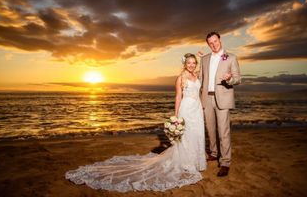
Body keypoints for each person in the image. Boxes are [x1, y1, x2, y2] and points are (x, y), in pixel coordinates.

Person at [65, 53, 206, 192]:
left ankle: (194, 161)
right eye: (189, 63)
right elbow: (178, 97)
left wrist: (203, 57)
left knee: (196, 134)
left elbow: (207, 69)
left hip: (197, 109)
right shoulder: (181, 78)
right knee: (186, 136)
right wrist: (176, 116)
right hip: (186, 109)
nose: (191, 65)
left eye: (194, 63)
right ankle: (186, 163)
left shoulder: (197, 75)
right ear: (185, 64)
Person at [199, 31, 241, 177]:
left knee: (223, 132)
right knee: (210, 129)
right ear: (208, 44)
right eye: (210, 43)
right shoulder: (204, 59)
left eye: (215, 41)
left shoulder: (231, 57)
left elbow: (238, 78)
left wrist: (229, 79)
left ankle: (225, 162)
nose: (213, 44)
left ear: (220, 40)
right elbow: (200, 79)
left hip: (223, 98)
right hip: (207, 98)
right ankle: (214, 153)